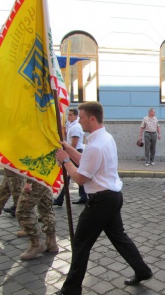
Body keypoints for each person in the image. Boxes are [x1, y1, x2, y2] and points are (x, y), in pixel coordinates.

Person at [54, 102, 152, 295]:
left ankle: (71, 289)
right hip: (112, 197)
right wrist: (67, 148)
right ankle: (143, 270)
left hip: (101, 202)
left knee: (80, 243)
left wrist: (65, 160)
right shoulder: (104, 137)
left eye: (81, 117)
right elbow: (86, 162)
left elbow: (81, 178)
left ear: (92, 118)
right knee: (119, 238)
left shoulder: (95, 145)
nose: (78, 121)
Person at [16, 179, 59, 260]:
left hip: (37, 176)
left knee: (23, 211)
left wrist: (29, 182)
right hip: (48, 175)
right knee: (46, 208)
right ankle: (51, 242)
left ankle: (36, 244)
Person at [53, 108, 87, 206]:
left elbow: (74, 144)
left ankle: (60, 199)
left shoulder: (75, 127)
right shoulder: (71, 125)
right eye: (68, 114)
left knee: (68, 175)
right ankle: (82, 196)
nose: (68, 116)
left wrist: (68, 154)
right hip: (73, 151)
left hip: (75, 152)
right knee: (69, 175)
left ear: (76, 116)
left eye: (71, 115)